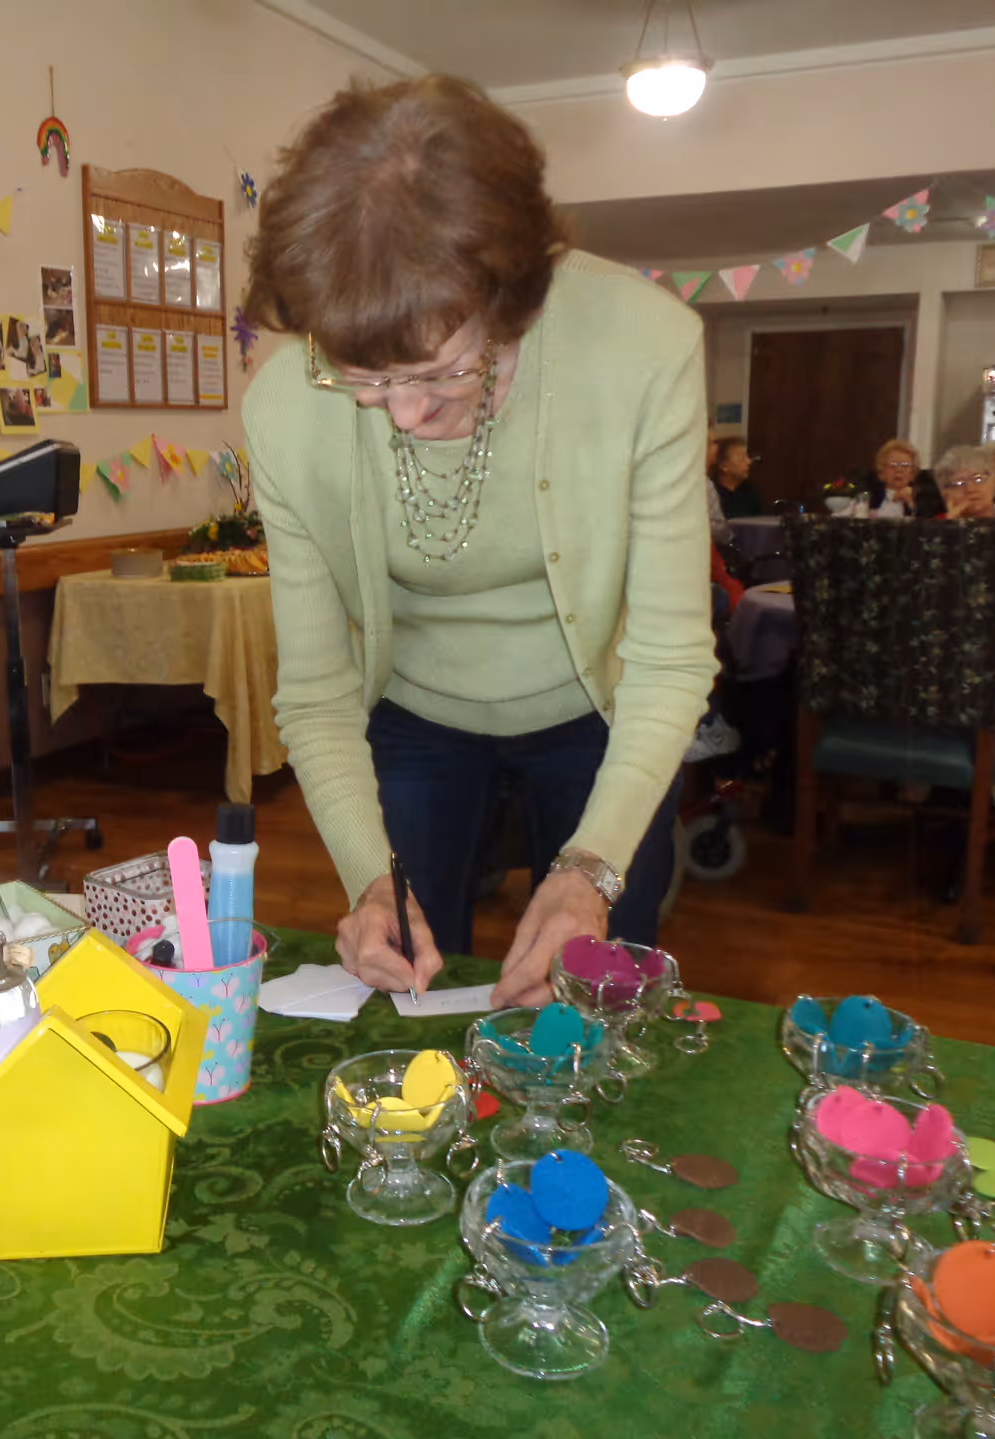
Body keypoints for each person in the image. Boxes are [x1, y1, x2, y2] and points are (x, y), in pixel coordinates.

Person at [240, 76, 716, 1009]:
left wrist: (593, 872)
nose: (407, 414)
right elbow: (319, 692)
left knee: (593, 984)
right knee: (409, 981)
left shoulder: (645, 348)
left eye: (445, 372)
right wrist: (368, 878)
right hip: (414, 714)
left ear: (518, 302)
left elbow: (667, 659)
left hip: (601, 711)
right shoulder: (285, 407)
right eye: (365, 381)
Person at [865, 438, 941, 518]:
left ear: (912, 473)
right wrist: (892, 499)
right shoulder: (870, 497)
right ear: (881, 473)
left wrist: (911, 504)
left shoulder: (923, 501)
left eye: (905, 466)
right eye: (893, 465)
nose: (899, 470)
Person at [711, 437, 765, 519]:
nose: (748, 461)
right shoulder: (713, 493)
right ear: (724, 465)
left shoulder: (750, 491)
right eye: (741, 458)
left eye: (747, 456)